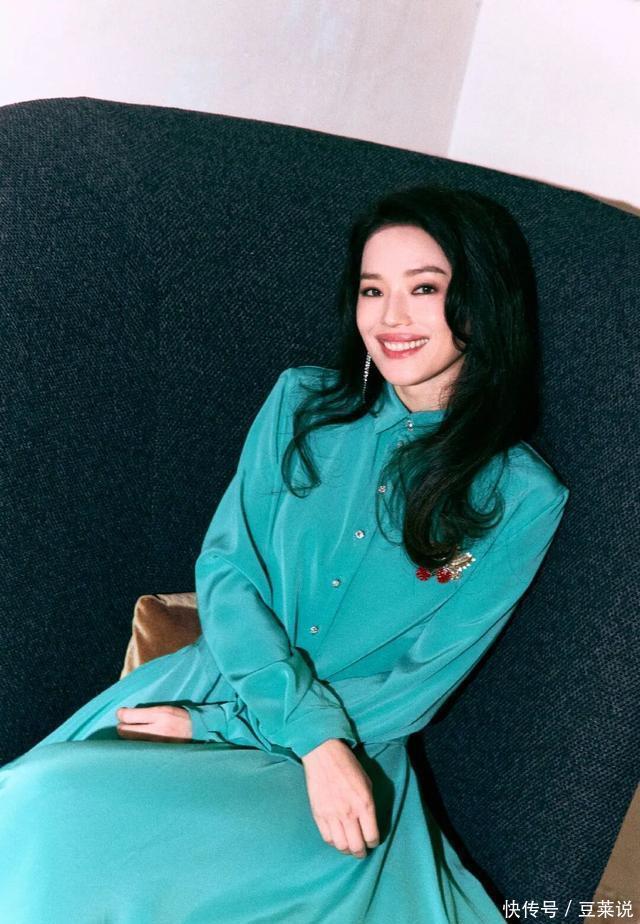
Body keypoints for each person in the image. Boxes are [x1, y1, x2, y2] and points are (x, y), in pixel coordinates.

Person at [0, 184, 570, 923]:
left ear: (484, 301)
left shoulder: (521, 497)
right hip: (209, 689)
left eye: (425, 289)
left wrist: (254, 733)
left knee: (73, 823)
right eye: (372, 289)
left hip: (345, 756)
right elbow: (227, 572)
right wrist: (242, 719)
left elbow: (417, 685)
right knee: (34, 801)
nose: (390, 318)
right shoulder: (300, 404)